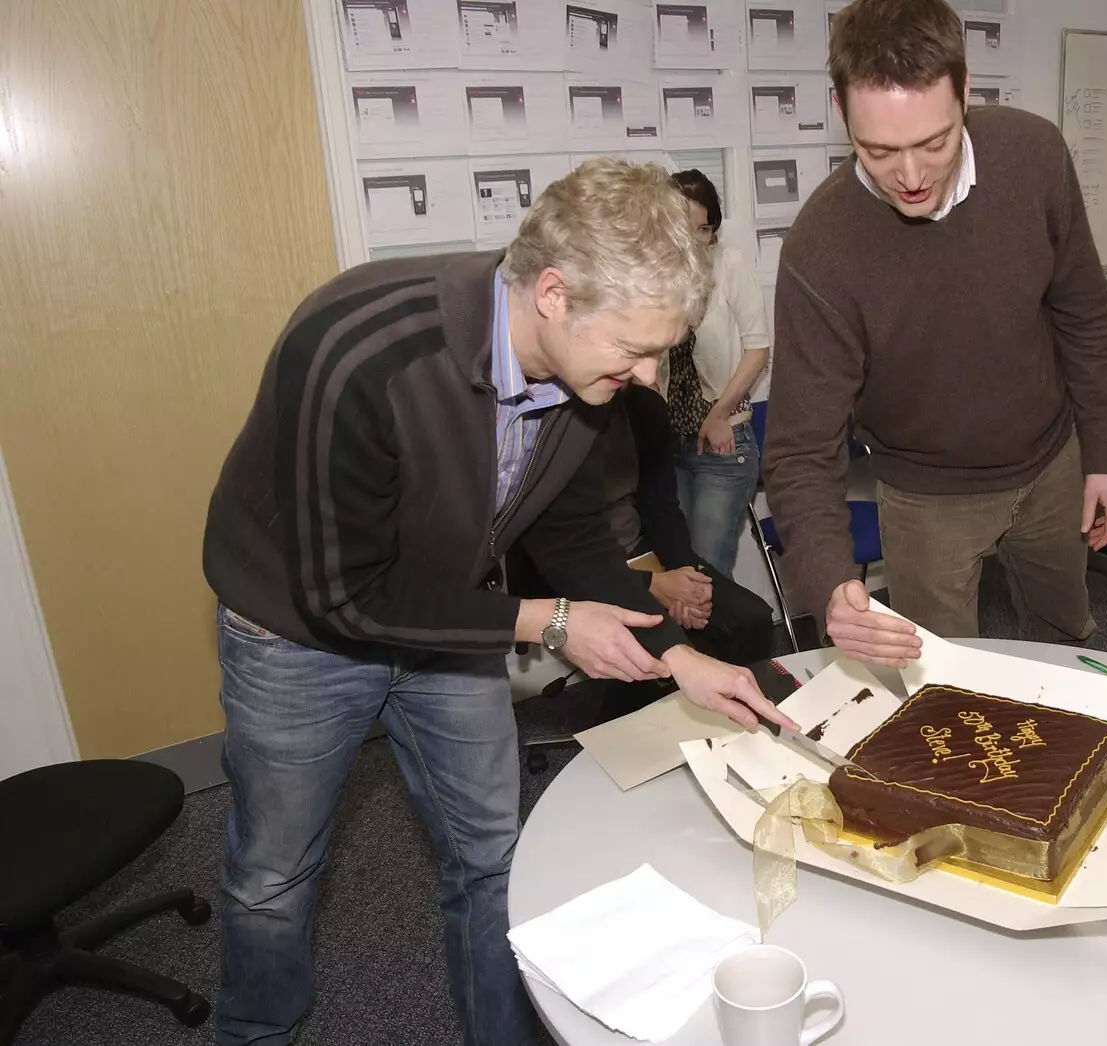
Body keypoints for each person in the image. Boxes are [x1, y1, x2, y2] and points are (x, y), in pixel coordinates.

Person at [200, 158, 797, 1046]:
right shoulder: (361, 351)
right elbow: (344, 596)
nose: (644, 379)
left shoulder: (584, 375)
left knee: (492, 860)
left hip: (452, 619)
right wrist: (549, 622)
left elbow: (567, 534)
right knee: (275, 876)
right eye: (633, 350)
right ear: (553, 292)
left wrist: (678, 654)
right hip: (299, 638)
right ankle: (256, 1034)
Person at [763, 0, 1107, 667]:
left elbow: (1084, 309)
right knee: (943, 687)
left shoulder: (1033, 155)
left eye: (932, 142)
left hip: (1053, 462)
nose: (910, 176)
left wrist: (1105, 451)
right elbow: (799, 450)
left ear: (965, 92)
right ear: (843, 114)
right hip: (925, 496)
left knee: (1070, 648)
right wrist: (832, 586)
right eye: (878, 150)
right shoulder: (822, 249)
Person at [509, 382, 777, 719]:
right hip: (567, 570)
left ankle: (725, 725)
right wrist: (653, 586)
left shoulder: (644, 408)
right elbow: (561, 547)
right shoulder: (551, 418)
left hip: (643, 553)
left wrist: (683, 578)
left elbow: (662, 507)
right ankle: (627, 736)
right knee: (648, 644)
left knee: (749, 619)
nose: (649, 371)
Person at [659, 169, 772, 575]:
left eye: (705, 230)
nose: (696, 241)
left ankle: (715, 642)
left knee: (708, 574)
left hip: (723, 446)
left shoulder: (730, 265)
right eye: (686, 230)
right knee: (679, 571)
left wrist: (721, 413)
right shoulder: (657, 275)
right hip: (670, 444)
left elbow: (758, 348)